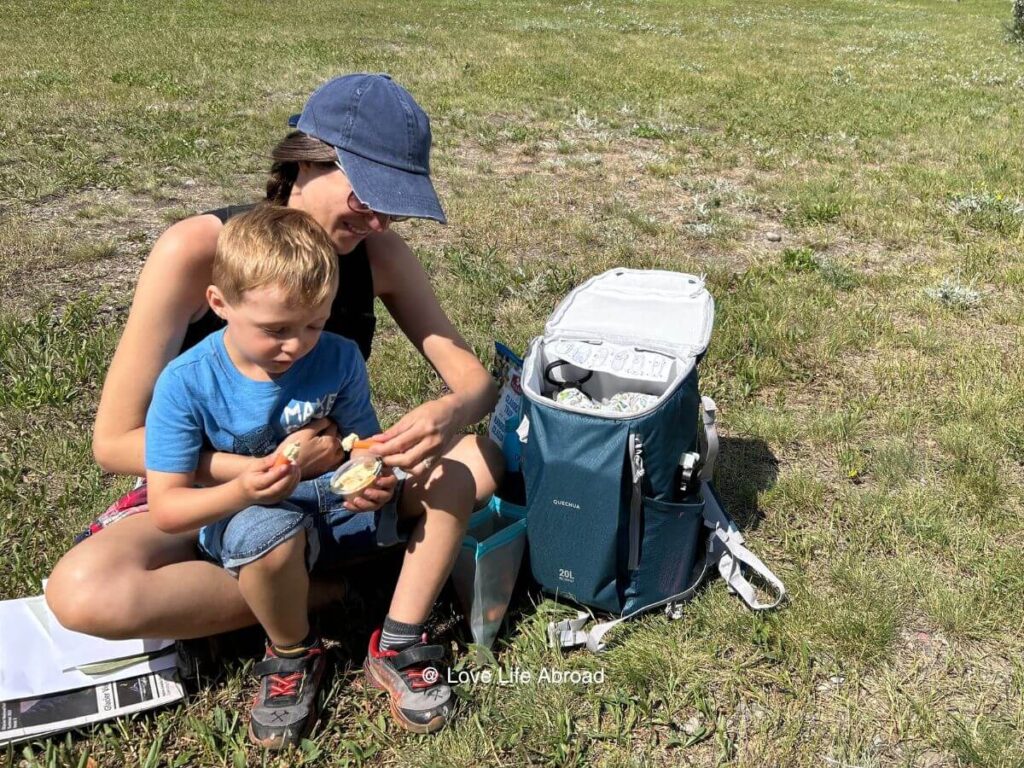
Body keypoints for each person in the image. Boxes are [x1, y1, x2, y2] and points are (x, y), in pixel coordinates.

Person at [44, 73, 503, 737]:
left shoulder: (378, 254)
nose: (376, 221)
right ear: (308, 160)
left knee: (479, 458)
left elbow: (474, 381)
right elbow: (114, 443)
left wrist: (450, 414)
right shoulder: (200, 251)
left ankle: (307, 579)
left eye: (393, 208)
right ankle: (338, 593)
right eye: (368, 197)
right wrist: (262, 468)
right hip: (206, 485)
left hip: (329, 490)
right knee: (82, 592)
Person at [146, 205, 393, 748]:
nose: (297, 344)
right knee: (268, 535)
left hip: (329, 501)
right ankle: (292, 649)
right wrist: (241, 490)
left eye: (315, 323)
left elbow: (361, 443)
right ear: (219, 304)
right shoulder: (186, 382)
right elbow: (166, 508)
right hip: (243, 514)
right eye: (275, 330)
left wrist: (373, 474)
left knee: (453, 474)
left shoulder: (340, 357)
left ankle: (395, 617)